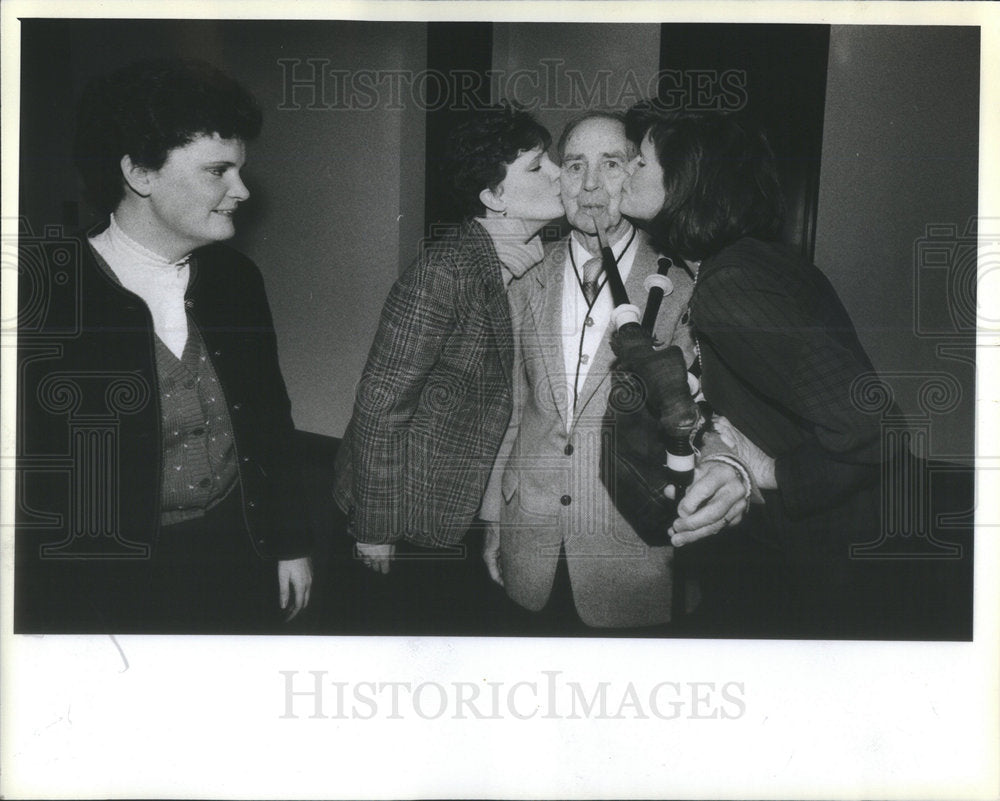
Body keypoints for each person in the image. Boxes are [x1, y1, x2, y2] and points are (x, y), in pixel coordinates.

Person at [16, 58, 313, 633]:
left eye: (240, 170)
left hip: (236, 552)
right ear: (141, 174)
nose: (242, 190)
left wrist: (289, 544)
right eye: (217, 171)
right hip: (113, 589)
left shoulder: (236, 282)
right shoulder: (46, 299)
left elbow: (270, 424)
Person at [619, 107, 899, 634]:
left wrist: (770, 470)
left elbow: (876, 428)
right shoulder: (752, 263)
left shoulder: (732, 284)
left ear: (684, 181)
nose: (627, 171)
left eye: (640, 162)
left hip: (827, 562)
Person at [480, 112, 750, 632]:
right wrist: (494, 518)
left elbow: (713, 415)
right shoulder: (523, 276)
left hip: (634, 558)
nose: (590, 185)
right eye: (576, 165)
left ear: (638, 174)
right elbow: (514, 407)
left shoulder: (686, 284)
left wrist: (728, 473)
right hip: (528, 541)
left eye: (610, 164)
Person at [332, 104, 562, 631]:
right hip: (409, 503)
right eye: (535, 166)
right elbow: (380, 406)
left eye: (548, 159)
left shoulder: (534, 258)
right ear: (493, 197)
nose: (555, 173)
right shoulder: (444, 272)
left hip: (466, 496)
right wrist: (375, 529)